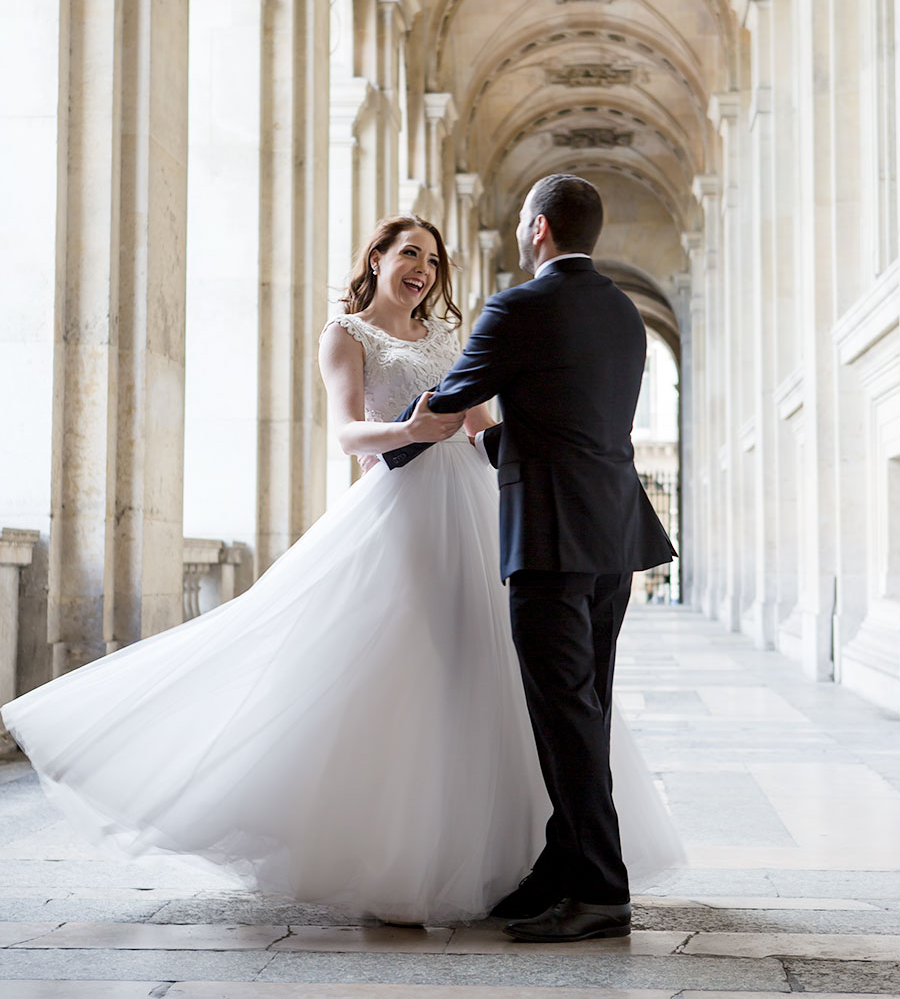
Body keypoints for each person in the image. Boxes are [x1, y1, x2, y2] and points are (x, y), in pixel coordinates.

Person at [1, 212, 681, 926]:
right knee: (405, 665)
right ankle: (408, 856)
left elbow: (482, 423)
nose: (423, 267)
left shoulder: (450, 336)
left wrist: (544, 435)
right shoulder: (346, 334)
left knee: (493, 674)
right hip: (404, 506)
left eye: (432, 257)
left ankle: (529, 859)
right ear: (378, 258)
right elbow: (348, 432)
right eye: (409, 252)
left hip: (476, 509)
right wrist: (410, 431)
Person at [384, 177, 676, 942]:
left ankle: (602, 893)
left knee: (564, 712)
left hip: (550, 534)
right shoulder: (624, 312)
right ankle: (561, 866)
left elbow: (448, 401)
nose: (519, 231)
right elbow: (573, 422)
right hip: (614, 532)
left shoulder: (519, 307)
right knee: (587, 708)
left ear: (538, 229)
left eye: (521, 222)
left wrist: (394, 442)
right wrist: (491, 439)